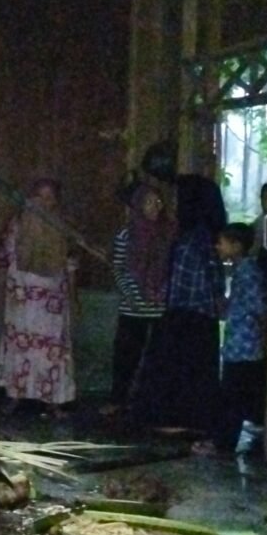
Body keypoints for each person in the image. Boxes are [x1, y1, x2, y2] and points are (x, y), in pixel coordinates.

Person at [133, 174, 225, 436]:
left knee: (176, 371)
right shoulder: (206, 238)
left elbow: (187, 285)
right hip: (201, 316)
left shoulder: (191, 241)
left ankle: (175, 421)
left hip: (186, 314)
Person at [0, 179, 78, 413]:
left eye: (49, 197)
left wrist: (74, 298)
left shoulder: (62, 225)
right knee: (19, 347)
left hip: (51, 302)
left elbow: (71, 265)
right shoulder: (18, 224)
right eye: (39, 196)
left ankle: (52, 400)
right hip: (21, 299)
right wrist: (1, 294)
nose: (44, 202)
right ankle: (15, 395)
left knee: (51, 350)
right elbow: (4, 260)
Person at [108, 180, 172, 414]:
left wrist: (161, 294)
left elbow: (170, 270)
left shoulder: (168, 235)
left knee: (157, 358)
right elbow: (119, 269)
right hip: (132, 307)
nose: (155, 207)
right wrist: (135, 296)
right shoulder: (127, 236)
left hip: (159, 307)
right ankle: (119, 399)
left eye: (158, 202)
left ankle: (149, 402)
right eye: (149, 202)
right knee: (127, 356)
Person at [216, 222, 267, 454]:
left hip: (243, 346)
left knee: (232, 398)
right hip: (242, 344)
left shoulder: (247, 272)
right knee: (237, 397)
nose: (218, 246)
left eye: (223, 242)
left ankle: (224, 445)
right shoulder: (241, 270)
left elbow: (258, 307)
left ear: (237, 246)